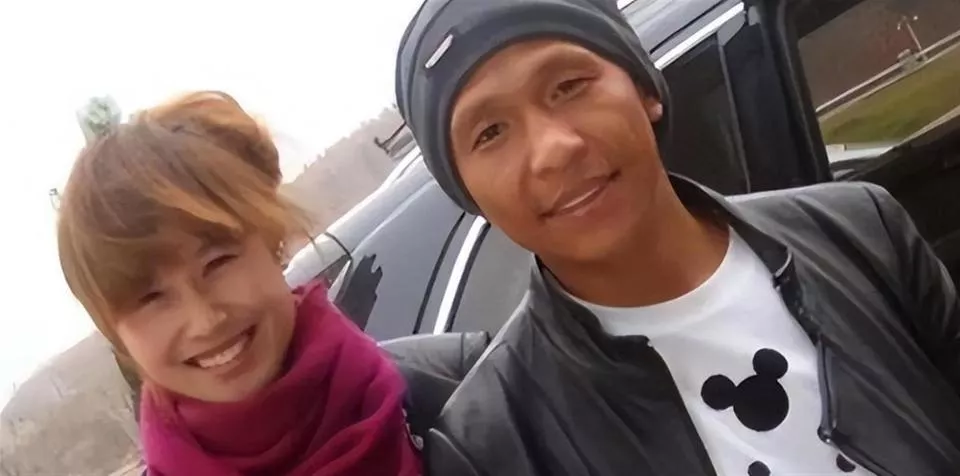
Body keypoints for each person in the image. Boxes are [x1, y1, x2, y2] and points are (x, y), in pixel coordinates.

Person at [394, 0, 960, 474]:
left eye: (568, 86)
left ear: (646, 90)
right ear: (470, 195)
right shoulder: (490, 445)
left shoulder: (859, 230)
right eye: (490, 132)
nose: (553, 150)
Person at [56, 91, 488, 476]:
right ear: (118, 336)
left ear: (272, 243)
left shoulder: (463, 388)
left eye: (217, 262)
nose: (205, 320)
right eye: (151, 297)